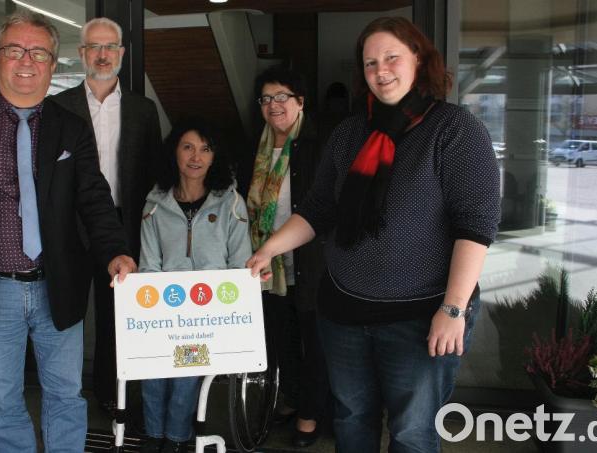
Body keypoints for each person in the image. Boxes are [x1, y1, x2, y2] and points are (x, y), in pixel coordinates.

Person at [247, 17, 501, 452]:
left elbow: (475, 226)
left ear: (418, 60)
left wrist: (454, 308)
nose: (381, 71)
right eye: (370, 63)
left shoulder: (454, 129)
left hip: (422, 318)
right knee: (351, 421)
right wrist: (268, 249)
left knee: (412, 432)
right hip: (343, 313)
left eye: (391, 58)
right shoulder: (350, 133)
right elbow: (318, 208)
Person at [0, 10, 136, 452]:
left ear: (53, 64)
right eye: (14, 50)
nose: (26, 61)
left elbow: (93, 199)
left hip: (57, 285)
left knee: (64, 396)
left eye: (38, 52)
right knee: (2, 400)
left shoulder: (70, 128)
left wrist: (115, 251)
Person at [50, 17, 162, 410]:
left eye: (110, 47)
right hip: (69, 227)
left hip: (124, 227)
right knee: (67, 314)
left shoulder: (143, 110)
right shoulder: (57, 108)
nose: (102, 55)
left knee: (120, 320)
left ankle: (114, 399)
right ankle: (66, 398)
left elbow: (153, 174)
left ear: (121, 53)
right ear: (81, 54)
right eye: (94, 48)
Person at [138, 117, 252, 453]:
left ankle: (173, 440)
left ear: (215, 157)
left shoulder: (230, 203)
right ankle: (152, 436)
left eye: (205, 149)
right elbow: (149, 266)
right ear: (174, 152)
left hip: (209, 315)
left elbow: (238, 267)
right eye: (188, 147)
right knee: (153, 366)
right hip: (164, 310)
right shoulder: (155, 204)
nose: (196, 156)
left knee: (186, 371)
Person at [241, 65, 330, 448]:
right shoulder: (253, 148)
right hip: (268, 270)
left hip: (311, 267)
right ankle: (293, 402)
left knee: (315, 347)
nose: (273, 105)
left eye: (282, 97)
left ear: (300, 102)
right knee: (281, 342)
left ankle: (310, 417)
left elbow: (322, 209)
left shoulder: (317, 146)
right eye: (266, 99)